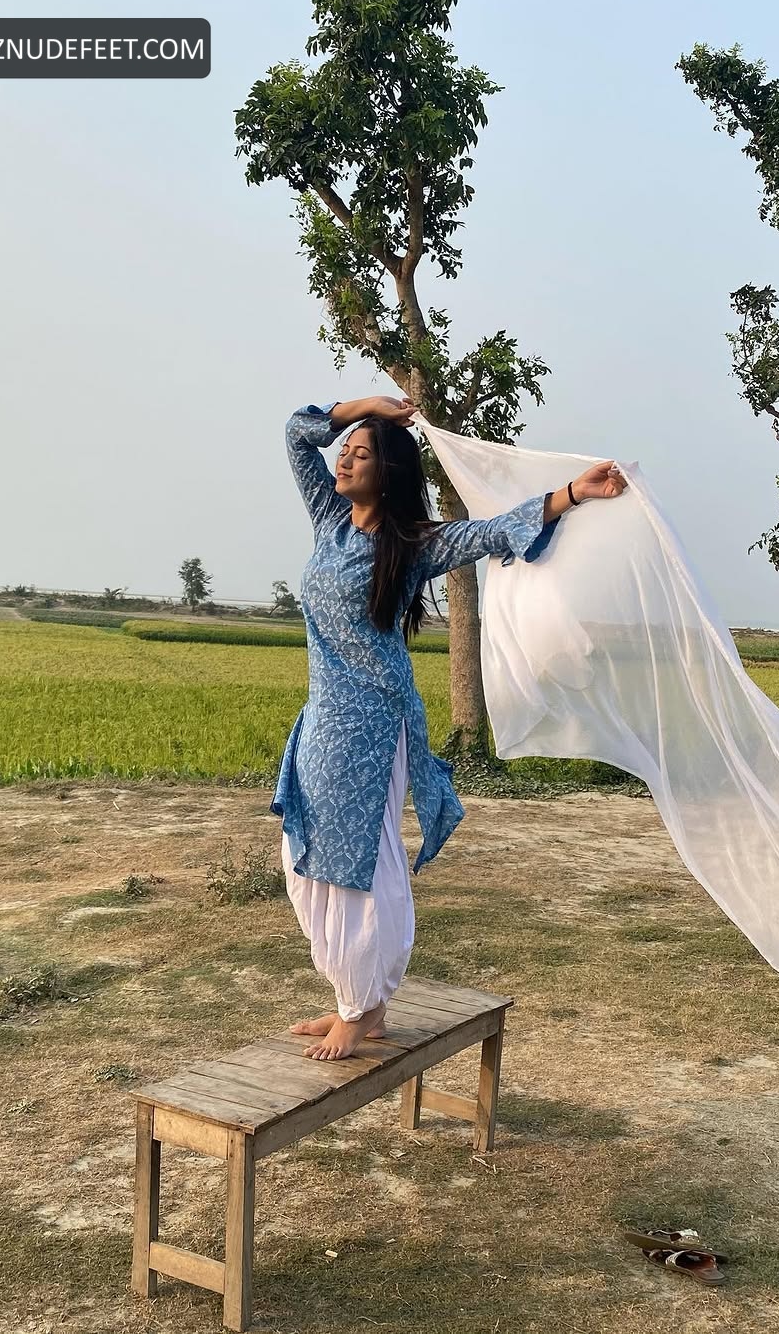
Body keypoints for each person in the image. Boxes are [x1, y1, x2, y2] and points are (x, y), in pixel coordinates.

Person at [272, 394, 626, 1059]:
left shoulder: (411, 545)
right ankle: (358, 997)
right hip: (322, 717)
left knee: (361, 860)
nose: (343, 460)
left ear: (388, 474)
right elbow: (296, 433)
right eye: (344, 451)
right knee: (304, 854)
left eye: (360, 454)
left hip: (375, 723)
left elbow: (490, 533)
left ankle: (361, 1005)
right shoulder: (329, 520)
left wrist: (573, 493)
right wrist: (364, 409)